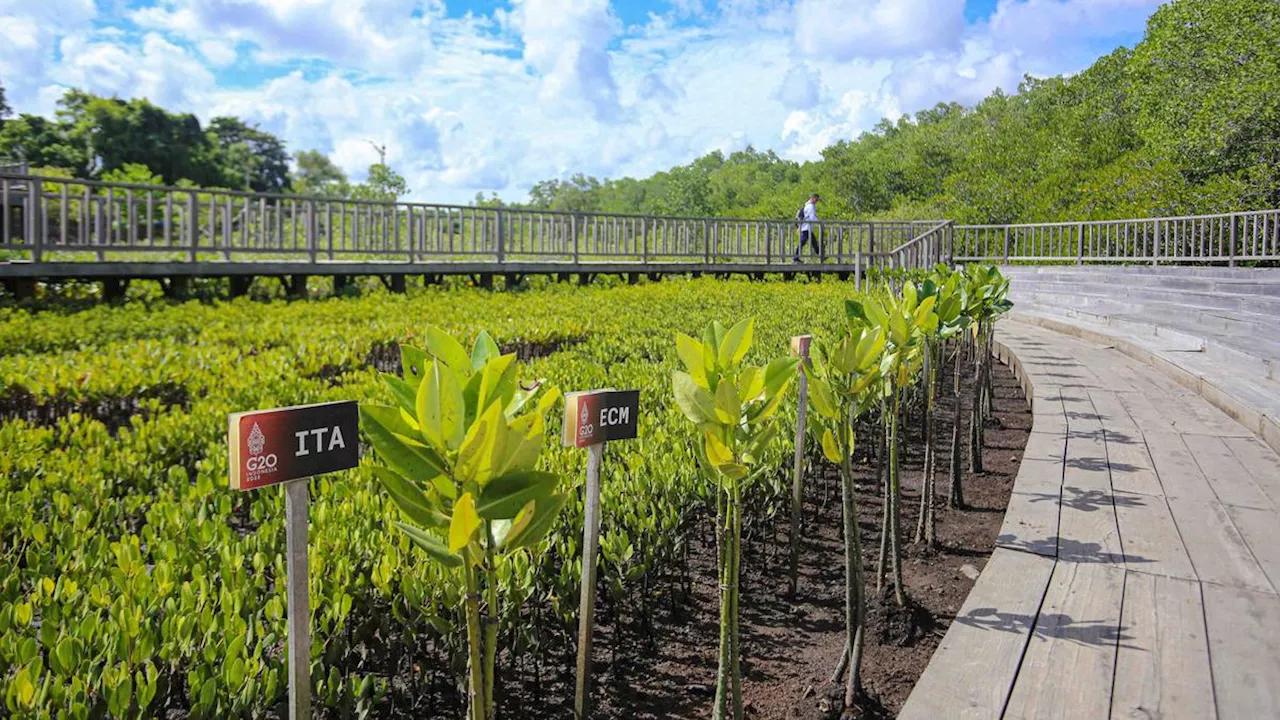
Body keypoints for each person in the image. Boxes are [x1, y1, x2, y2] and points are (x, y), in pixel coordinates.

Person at [793, 193, 822, 262]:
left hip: (806, 227)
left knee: (813, 242)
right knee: (803, 242)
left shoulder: (807, 206)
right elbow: (812, 217)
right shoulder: (811, 206)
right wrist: (820, 223)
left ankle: (820, 254)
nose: (816, 201)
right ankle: (795, 257)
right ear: (813, 198)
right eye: (816, 199)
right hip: (806, 227)